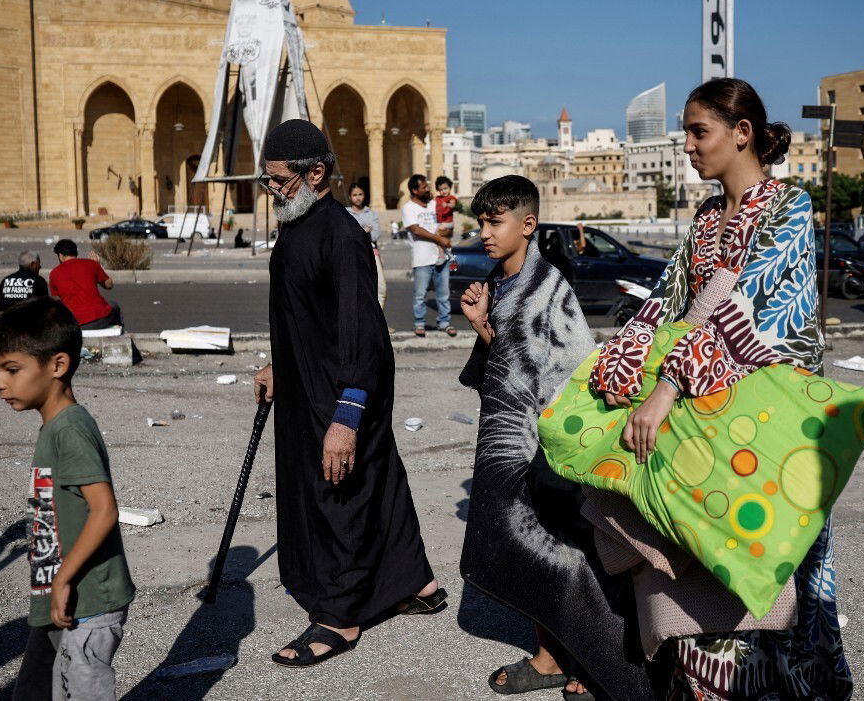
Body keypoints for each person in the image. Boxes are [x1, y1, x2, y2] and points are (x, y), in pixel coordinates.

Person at [544, 78, 857, 699]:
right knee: (707, 565)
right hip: (710, 420)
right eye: (685, 131)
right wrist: (624, 358)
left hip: (771, 426)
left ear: (742, 133)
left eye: (698, 131)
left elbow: (760, 305)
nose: (687, 145)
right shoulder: (709, 217)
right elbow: (667, 302)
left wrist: (669, 383)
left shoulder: (789, 206)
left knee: (779, 563)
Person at [251, 119, 444, 668]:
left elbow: (364, 332)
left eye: (279, 182)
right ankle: (418, 584)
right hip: (306, 382)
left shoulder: (340, 233)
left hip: (343, 391)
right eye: (267, 183)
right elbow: (302, 313)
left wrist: (348, 416)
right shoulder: (296, 225)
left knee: (340, 493)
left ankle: (340, 617)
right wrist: (278, 363)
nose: (273, 193)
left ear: (316, 174)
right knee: (380, 482)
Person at [457, 176, 653, 700]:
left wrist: (561, 441)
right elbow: (507, 363)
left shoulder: (552, 289)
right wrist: (482, 325)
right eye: (481, 222)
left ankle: (588, 662)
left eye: (495, 222)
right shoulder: (498, 282)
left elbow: (577, 369)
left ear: (527, 225)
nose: (485, 233)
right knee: (530, 553)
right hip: (507, 440)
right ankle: (552, 655)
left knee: (568, 554)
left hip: (548, 448)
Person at [0, 298, 135, 700]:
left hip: (87, 603)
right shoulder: (55, 427)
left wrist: (64, 577)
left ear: (58, 366)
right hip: (59, 599)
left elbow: (105, 510)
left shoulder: (70, 430)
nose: (0, 382)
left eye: (12, 370)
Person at [402, 174, 455, 337]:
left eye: (427, 186)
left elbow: (447, 222)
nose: (427, 189)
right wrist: (439, 237)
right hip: (422, 257)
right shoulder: (408, 208)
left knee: (444, 294)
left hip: (442, 256)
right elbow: (416, 229)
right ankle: (419, 323)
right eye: (424, 187)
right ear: (414, 190)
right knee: (420, 294)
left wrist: (448, 230)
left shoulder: (434, 204)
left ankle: (444, 322)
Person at [49, 239, 122, 331]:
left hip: (74, 323)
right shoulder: (92, 264)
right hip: (100, 317)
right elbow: (109, 285)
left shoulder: (54, 273)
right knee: (114, 305)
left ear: (60, 256)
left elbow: (55, 300)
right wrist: (98, 266)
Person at [345, 182, 386, 308]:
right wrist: (363, 232)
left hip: (372, 253)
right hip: (352, 254)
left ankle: (379, 322)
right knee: (355, 289)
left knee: (381, 288)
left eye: (360, 194)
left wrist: (357, 232)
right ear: (350, 196)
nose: (358, 197)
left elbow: (375, 234)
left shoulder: (371, 213)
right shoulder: (345, 213)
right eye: (355, 195)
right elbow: (346, 237)